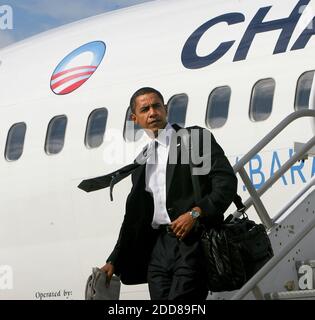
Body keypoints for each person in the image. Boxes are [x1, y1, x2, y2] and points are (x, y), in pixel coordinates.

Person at [100, 87, 237, 300]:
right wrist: (114, 261)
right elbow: (133, 219)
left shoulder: (194, 140)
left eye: (156, 106)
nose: (152, 112)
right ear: (135, 118)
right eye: (145, 109)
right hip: (159, 249)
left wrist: (196, 213)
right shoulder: (142, 161)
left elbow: (225, 183)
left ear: (165, 109)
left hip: (192, 241)